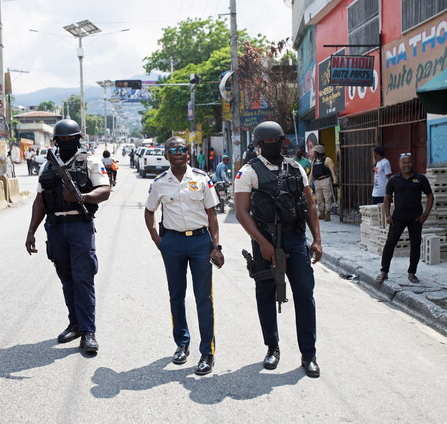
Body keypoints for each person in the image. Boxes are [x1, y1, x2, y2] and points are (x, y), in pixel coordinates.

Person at [234, 121, 323, 378]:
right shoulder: (248, 171)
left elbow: (311, 205)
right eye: (269, 143)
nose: (275, 147)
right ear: (259, 145)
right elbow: (241, 212)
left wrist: (316, 240)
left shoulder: (296, 168)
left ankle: (309, 355)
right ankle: (272, 348)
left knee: (305, 294)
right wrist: (263, 243)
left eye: (278, 142)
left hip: (295, 239)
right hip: (264, 237)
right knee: (266, 293)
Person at [25, 119, 111, 355]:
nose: (65, 143)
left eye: (70, 139)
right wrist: (31, 231)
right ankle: (75, 323)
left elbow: (105, 190)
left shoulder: (90, 161)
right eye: (61, 140)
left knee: (83, 278)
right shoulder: (48, 166)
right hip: (55, 228)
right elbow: (40, 201)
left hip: (79, 226)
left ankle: (88, 331)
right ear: (55, 141)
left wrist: (81, 198)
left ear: (78, 139)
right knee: (66, 279)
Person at [144, 136, 223, 376]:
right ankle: (182, 344)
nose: (178, 153)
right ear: (166, 155)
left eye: (182, 149)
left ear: (187, 154)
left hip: (200, 242)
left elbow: (212, 215)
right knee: (176, 296)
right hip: (173, 243)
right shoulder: (159, 183)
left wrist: (216, 246)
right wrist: (159, 241)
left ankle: (206, 352)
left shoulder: (201, 179)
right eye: (173, 150)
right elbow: (149, 213)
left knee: (203, 298)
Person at [376, 153, 433, 284]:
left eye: (408, 162)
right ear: (399, 164)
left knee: (415, 245)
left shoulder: (420, 179)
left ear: (412, 163)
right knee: (390, 243)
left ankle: (412, 273)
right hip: (398, 216)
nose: (406, 165)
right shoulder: (394, 179)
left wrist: (425, 214)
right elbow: (387, 197)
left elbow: (430, 195)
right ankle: (384, 271)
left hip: (416, 217)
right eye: (404, 162)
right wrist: (388, 215)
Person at [309, 145, 337, 221]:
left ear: (319, 152)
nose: (314, 154)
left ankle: (327, 214)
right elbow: (312, 173)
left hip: (325, 180)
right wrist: (308, 183)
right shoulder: (314, 161)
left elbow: (332, 170)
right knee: (319, 198)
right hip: (317, 181)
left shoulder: (327, 160)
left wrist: (335, 180)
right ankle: (322, 213)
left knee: (327, 197)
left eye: (315, 152)